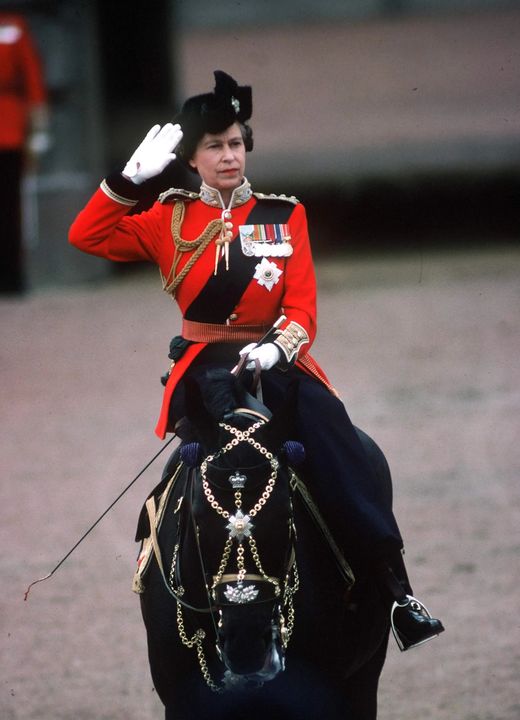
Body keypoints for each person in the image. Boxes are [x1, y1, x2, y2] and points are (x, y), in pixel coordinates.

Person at [69, 70, 444, 651]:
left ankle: (395, 589)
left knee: (346, 455)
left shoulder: (282, 216)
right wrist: (125, 181)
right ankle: (167, 588)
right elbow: (86, 237)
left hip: (276, 367)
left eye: (237, 143)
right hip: (203, 370)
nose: (229, 156)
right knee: (183, 484)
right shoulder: (169, 219)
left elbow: (303, 309)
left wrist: (275, 347)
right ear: (191, 160)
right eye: (214, 146)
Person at [0, 12, 49, 294]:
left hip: (8, 129)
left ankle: (10, 276)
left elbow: (31, 78)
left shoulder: (13, 26)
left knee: (9, 209)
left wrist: (38, 127)